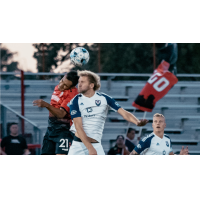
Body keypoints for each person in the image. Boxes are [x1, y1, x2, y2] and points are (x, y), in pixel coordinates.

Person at [68, 70, 148, 155]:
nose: (79, 84)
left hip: (96, 145)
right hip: (79, 145)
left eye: (82, 82)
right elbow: (78, 127)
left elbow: (124, 113)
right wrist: (90, 148)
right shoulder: (75, 101)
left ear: (91, 85)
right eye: (79, 82)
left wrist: (137, 122)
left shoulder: (104, 98)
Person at [33, 71, 79, 155]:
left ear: (72, 87)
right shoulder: (58, 87)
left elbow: (61, 114)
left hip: (64, 131)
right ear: (64, 76)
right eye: (62, 81)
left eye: (65, 85)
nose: (61, 85)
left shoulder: (72, 95)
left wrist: (46, 105)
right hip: (51, 128)